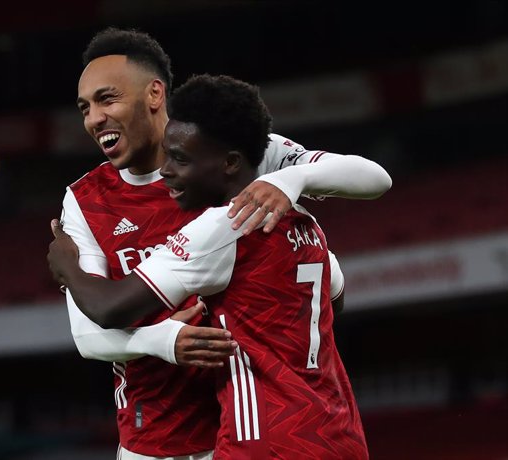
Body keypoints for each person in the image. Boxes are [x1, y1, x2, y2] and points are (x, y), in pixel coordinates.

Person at [61, 28, 388, 459]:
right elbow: (87, 336)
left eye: (107, 99)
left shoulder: (249, 154)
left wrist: (291, 178)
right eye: (85, 108)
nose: (94, 118)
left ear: (155, 93)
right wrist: (165, 340)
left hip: (246, 428)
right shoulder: (83, 201)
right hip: (159, 438)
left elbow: (374, 178)